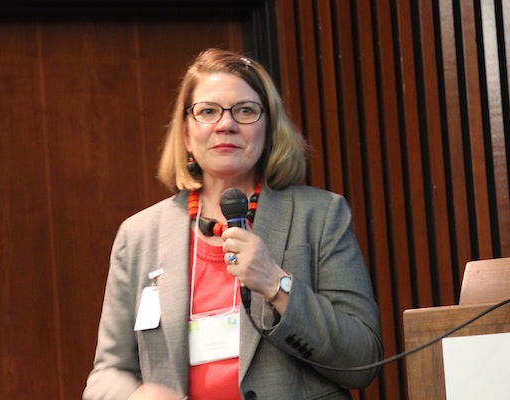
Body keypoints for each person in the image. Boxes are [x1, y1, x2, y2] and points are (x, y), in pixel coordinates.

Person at [83, 48, 383, 400]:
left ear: (269, 128)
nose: (226, 124)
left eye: (245, 111)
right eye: (208, 111)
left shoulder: (320, 216)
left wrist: (276, 284)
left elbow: (363, 360)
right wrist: (136, 397)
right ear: (185, 134)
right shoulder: (139, 237)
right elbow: (107, 374)